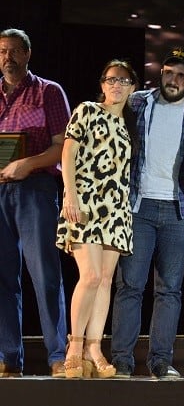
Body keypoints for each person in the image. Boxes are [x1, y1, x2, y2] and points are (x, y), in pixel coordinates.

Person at [110, 47, 184, 379]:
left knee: (169, 289)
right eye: (169, 73)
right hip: (138, 206)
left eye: (182, 75)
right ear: (161, 73)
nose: (174, 80)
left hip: (179, 210)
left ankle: (160, 360)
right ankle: (122, 359)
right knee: (130, 285)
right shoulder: (138, 102)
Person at [56, 59, 139, 378]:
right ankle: (74, 347)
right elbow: (68, 153)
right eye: (110, 79)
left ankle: (94, 347)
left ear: (132, 87)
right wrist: (70, 194)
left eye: (123, 80)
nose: (116, 85)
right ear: (102, 84)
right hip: (86, 203)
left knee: (105, 281)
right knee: (89, 276)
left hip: (117, 210)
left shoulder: (128, 125)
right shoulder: (87, 110)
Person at [0, 28, 69, 378]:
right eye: (2, 51)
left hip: (36, 189)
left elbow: (63, 147)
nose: (7, 57)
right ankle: (9, 357)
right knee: (2, 277)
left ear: (27, 53)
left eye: (14, 51)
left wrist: (27, 163)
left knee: (44, 274)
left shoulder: (48, 91)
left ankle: (58, 356)